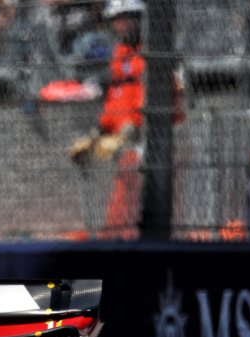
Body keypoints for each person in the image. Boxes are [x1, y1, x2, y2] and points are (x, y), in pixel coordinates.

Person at [66, 0, 180, 239]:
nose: (122, 25)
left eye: (128, 19)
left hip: (154, 139)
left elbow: (154, 103)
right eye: (118, 20)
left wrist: (128, 132)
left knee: (143, 200)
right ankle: (117, 243)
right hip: (127, 141)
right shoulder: (121, 53)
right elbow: (115, 99)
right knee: (123, 198)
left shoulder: (153, 53)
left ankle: (131, 244)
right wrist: (98, 132)